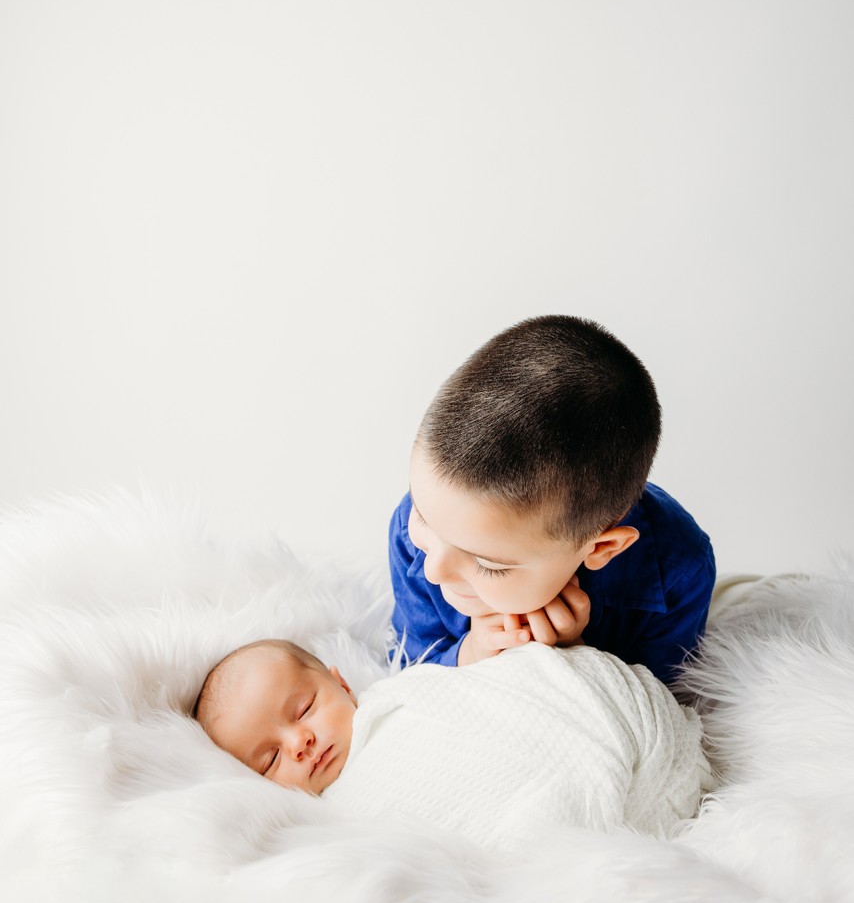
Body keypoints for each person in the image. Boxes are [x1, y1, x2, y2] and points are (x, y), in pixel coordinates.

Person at [389, 315, 716, 685]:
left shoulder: (678, 571)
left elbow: (662, 707)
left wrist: (575, 657)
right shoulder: (422, 521)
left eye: (488, 563)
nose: (433, 570)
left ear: (602, 548)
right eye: (424, 519)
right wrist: (472, 655)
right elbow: (409, 668)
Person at [193, 636, 713, 852]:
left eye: (303, 710)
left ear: (343, 684)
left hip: (624, 739)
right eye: (271, 759)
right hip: (563, 840)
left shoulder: (409, 697)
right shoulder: (334, 824)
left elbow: (503, 695)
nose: (300, 742)